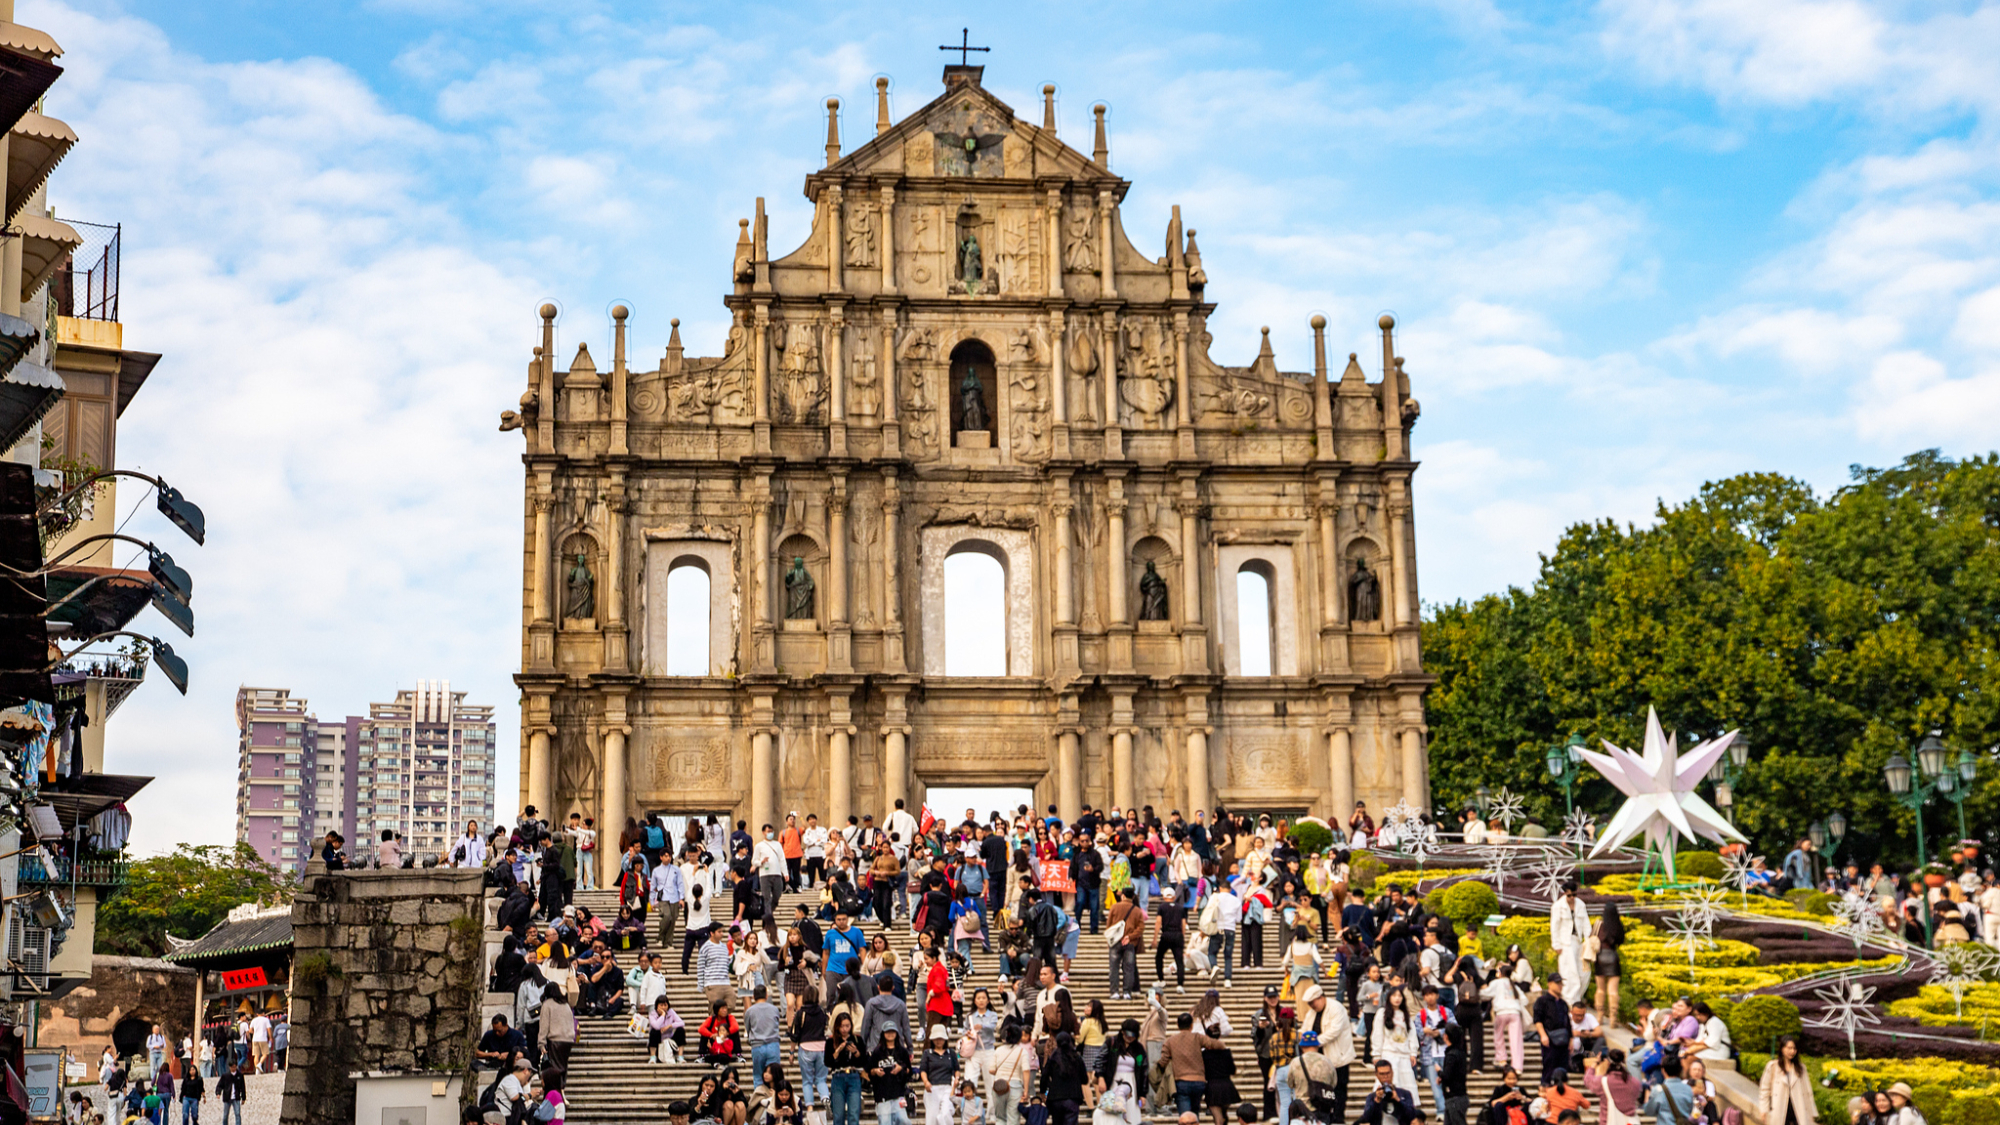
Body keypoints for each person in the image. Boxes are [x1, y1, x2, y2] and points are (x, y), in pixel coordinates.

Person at [1548, 885, 1588, 1008]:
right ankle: (1569, 1002)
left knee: (1584, 973)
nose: (1572, 898)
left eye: (1574, 895)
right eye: (1569, 895)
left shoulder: (1580, 904)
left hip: (1578, 941)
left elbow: (1586, 923)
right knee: (1569, 973)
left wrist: (1588, 941)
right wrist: (1556, 944)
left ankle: (1577, 999)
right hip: (1565, 942)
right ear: (1564, 893)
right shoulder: (1558, 906)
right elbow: (1554, 926)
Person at [829, 1013, 870, 1125]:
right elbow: (827, 1062)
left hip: (854, 1076)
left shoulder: (857, 1039)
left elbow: (864, 1061)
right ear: (837, 1026)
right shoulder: (831, 1041)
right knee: (838, 1114)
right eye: (842, 1026)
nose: (844, 1029)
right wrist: (837, 1051)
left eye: (847, 1026)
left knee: (854, 1114)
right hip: (838, 1076)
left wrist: (856, 1052)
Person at [1528, 977, 1570, 1086]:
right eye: (1557, 983)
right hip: (1550, 1037)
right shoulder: (1542, 1001)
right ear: (1550, 984)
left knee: (1563, 1067)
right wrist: (1543, 1035)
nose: (1560, 986)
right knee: (1549, 1065)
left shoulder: (1563, 1003)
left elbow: (1568, 1022)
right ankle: (1546, 1088)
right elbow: (1538, 1020)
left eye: (1561, 984)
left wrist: (1571, 1039)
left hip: (1563, 1038)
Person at [1355, 1059, 1423, 1125]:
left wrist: (1398, 1100)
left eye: (1388, 1073)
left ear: (1392, 1073)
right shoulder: (1372, 1097)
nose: (1385, 1077)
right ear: (1376, 1075)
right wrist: (1377, 1101)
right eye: (1382, 1074)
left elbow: (1412, 1116)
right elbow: (1366, 1118)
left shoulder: (1404, 1094)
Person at [870, 1026, 915, 1125]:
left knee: (903, 1120)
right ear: (883, 1034)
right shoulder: (877, 1052)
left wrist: (901, 1068)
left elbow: (909, 1071)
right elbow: (869, 1071)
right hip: (882, 1094)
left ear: (897, 1033)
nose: (890, 1034)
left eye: (892, 1031)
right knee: (885, 1122)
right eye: (887, 1032)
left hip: (899, 1093)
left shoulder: (902, 1051)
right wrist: (876, 1071)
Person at [1590, 902, 1624, 1024]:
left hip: (1600, 957)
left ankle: (1599, 1016)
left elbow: (1591, 937)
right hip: (1613, 957)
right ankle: (1613, 1017)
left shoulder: (1599, 925)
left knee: (1600, 989)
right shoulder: (1618, 925)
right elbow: (1621, 940)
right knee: (1613, 991)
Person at [923, 1026, 963, 1125]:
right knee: (932, 1118)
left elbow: (957, 1069)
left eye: (941, 1038)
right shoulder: (927, 1053)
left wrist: (956, 1079)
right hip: (932, 1087)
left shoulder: (951, 1053)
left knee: (946, 1113)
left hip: (947, 1087)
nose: (938, 1041)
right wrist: (926, 1082)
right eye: (936, 1039)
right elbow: (923, 1070)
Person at [1638, 1057, 1695, 1124]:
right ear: (1680, 1070)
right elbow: (1690, 1110)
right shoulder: (1688, 1089)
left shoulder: (1658, 1090)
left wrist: (1647, 1097)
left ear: (1663, 1070)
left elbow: (1649, 1111)